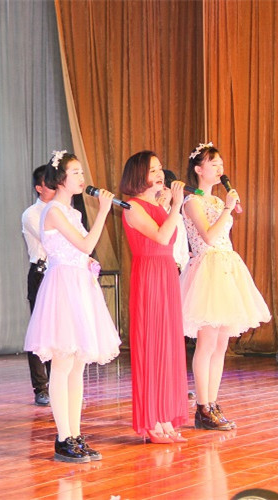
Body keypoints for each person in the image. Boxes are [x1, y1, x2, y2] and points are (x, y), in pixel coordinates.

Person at [23, 150, 120, 463]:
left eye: (81, 172)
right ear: (60, 179)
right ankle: (62, 436)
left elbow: (83, 252)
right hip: (63, 287)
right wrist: (103, 211)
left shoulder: (73, 213)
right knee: (63, 364)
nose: (82, 177)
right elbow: (86, 244)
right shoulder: (53, 210)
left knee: (78, 365)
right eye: (76, 172)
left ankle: (75, 434)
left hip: (79, 285)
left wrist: (87, 262)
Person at [180, 142, 271, 430]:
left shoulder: (219, 202)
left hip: (227, 269)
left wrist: (227, 207)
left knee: (221, 343)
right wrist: (228, 209)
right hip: (207, 270)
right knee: (207, 342)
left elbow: (224, 234)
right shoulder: (191, 202)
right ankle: (202, 407)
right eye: (214, 164)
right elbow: (208, 237)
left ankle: (213, 402)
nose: (220, 169)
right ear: (199, 169)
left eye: (221, 164)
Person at [120, 151, 188, 444]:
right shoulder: (132, 206)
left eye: (160, 168)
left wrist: (169, 206)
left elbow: (170, 239)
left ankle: (165, 416)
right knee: (152, 346)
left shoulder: (157, 205)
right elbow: (160, 237)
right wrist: (176, 206)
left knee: (168, 346)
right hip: (149, 275)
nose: (160, 174)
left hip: (166, 273)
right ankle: (151, 420)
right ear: (138, 175)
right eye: (153, 170)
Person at [21, 165, 55, 406]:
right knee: (40, 330)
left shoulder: (67, 211)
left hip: (62, 272)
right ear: (39, 188)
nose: (55, 188)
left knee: (61, 330)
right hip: (41, 272)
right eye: (50, 184)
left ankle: (58, 384)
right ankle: (41, 388)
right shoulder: (32, 213)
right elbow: (51, 239)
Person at [157, 169, 191, 272]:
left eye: (165, 189)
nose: (162, 193)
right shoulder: (148, 215)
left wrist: (184, 270)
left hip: (177, 268)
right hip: (158, 267)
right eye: (159, 189)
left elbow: (183, 248)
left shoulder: (179, 217)